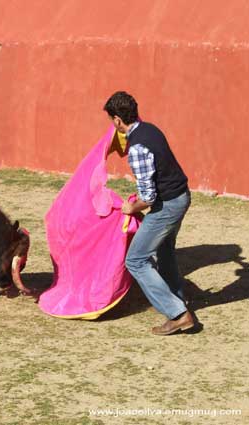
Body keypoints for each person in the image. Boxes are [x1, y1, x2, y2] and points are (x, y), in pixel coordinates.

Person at [104, 91, 195, 335]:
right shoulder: (151, 129)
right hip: (180, 196)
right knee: (164, 250)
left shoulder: (137, 148)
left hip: (167, 205)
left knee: (135, 260)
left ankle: (177, 314)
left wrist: (130, 207)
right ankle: (176, 300)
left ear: (117, 120)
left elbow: (148, 197)